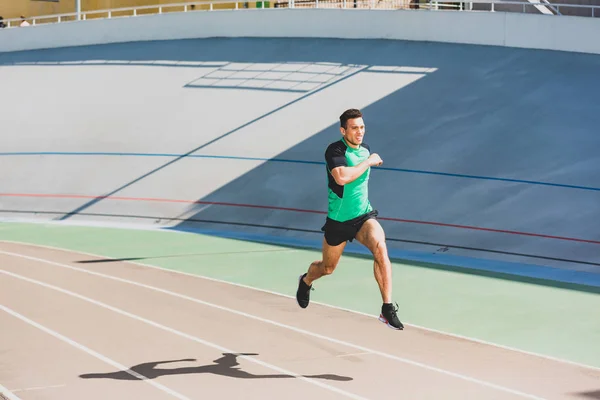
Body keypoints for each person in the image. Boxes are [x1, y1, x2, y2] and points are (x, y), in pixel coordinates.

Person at [295, 108, 404, 330]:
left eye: (362, 127)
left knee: (380, 248)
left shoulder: (366, 149)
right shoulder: (335, 150)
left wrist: (368, 157)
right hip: (338, 221)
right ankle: (305, 281)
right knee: (327, 268)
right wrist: (369, 162)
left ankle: (387, 307)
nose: (359, 132)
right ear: (343, 130)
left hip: (363, 216)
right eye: (354, 128)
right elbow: (342, 177)